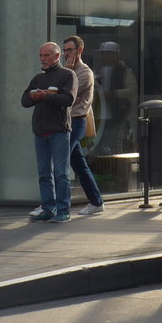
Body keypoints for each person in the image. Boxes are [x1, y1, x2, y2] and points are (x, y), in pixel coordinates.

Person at [21, 42, 77, 222]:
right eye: (41, 55)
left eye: (46, 55)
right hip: (40, 131)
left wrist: (48, 96)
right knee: (44, 173)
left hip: (59, 130)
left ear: (57, 56)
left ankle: (63, 210)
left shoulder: (68, 75)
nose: (43, 59)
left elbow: (68, 99)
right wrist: (33, 96)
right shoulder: (38, 78)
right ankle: (48, 208)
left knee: (61, 173)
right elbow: (24, 100)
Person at [64, 35, 105, 215]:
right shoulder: (66, 70)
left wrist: (65, 93)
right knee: (78, 164)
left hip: (77, 120)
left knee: (60, 160)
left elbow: (66, 94)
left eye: (69, 50)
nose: (66, 53)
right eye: (64, 50)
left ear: (79, 50)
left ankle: (56, 204)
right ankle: (96, 202)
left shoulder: (84, 72)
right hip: (66, 120)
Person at [94, 41, 137, 153]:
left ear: (116, 55)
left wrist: (113, 94)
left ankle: (118, 166)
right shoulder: (98, 69)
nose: (107, 56)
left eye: (110, 53)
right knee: (99, 143)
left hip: (118, 113)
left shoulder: (124, 70)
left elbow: (132, 90)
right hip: (100, 113)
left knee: (116, 142)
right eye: (104, 53)